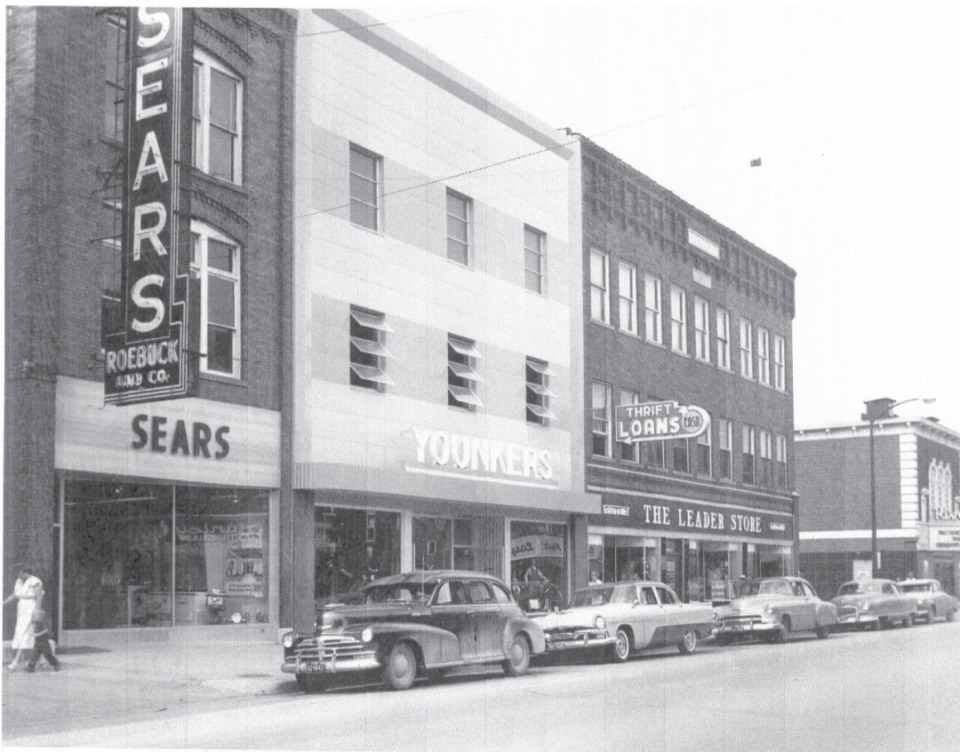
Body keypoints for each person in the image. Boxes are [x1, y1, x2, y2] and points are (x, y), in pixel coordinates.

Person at [3, 563, 43, 670]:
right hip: (21, 610)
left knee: (26, 635)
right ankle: (41, 660)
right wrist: (3, 603)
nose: (17, 574)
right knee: (23, 634)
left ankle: (14, 663)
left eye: (19, 572)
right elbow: (15, 595)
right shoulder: (19, 582)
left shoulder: (35, 581)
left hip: (31, 608)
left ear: (25, 571)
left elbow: (39, 596)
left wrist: (37, 611)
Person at [25, 608, 59, 672]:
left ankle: (56, 664)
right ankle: (31, 667)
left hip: (44, 642)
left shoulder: (42, 623)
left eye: (34, 616)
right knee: (35, 655)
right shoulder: (34, 623)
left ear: (39, 616)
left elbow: (45, 631)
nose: (32, 617)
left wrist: (36, 634)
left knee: (48, 655)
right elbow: (30, 629)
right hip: (37, 642)